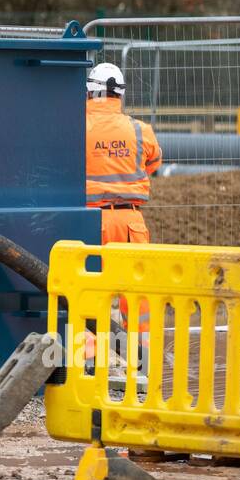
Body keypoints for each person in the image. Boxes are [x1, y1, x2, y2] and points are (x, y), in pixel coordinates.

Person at [85, 62, 161, 366]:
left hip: (89, 222)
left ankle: (90, 361)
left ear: (90, 91)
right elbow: (152, 163)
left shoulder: (75, 127)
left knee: (89, 289)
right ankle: (142, 361)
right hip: (131, 222)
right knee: (138, 293)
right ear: (120, 94)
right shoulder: (140, 130)